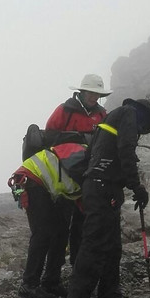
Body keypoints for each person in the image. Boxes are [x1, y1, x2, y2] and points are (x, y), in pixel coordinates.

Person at [62, 98, 150, 298]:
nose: (141, 131)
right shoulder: (129, 113)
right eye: (144, 127)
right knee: (95, 246)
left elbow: (91, 156)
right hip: (103, 188)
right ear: (143, 116)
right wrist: (136, 186)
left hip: (102, 188)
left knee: (112, 249)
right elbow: (126, 149)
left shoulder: (111, 118)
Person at [7, 143, 88, 298]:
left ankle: (51, 282)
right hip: (30, 178)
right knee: (42, 233)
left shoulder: (88, 154)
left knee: (60, 232)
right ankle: (28, 286)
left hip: (42, 182)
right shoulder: (91, 163)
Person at [45, 74, 108, 266]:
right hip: (62, 175)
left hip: (87, 175)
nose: (94, 97)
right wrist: (74, 140)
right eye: (91, 93)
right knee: (61, 224)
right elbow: (49, 137)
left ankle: (77, 265)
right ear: (82, 92)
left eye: (97, 94)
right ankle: (52, 273)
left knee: (82, 222)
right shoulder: (65, 110)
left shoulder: (102, 114)